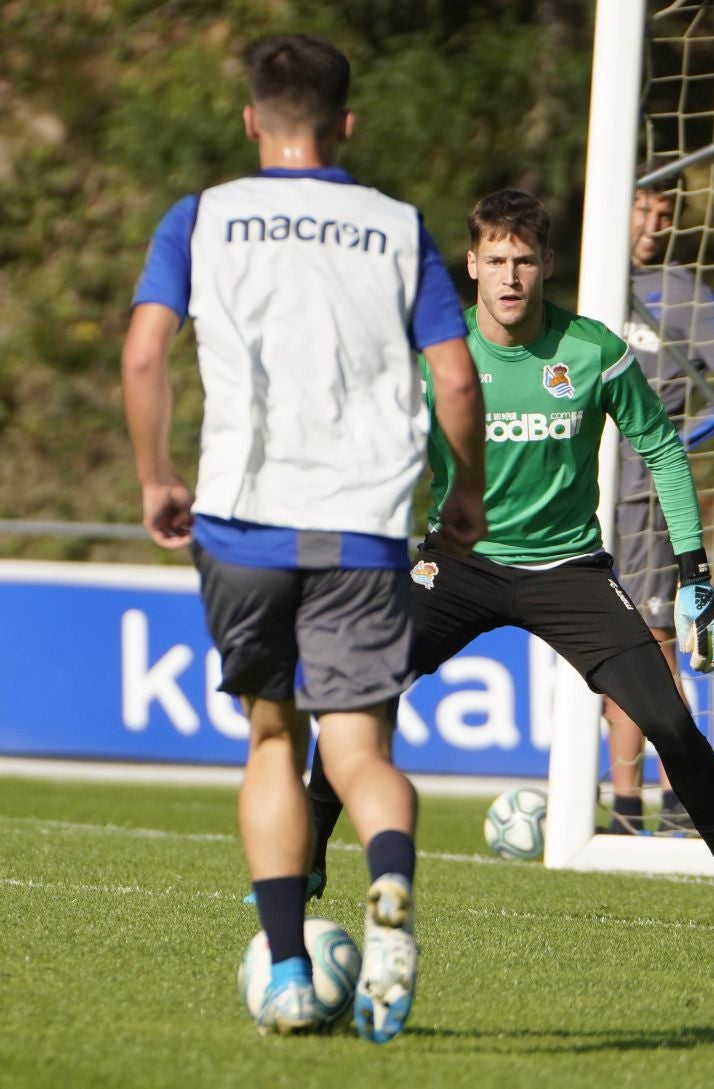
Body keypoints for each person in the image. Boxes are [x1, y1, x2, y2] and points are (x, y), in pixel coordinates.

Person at [304, 188, 714, 936]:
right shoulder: (436, 354)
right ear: (472, 265)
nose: (510, 276)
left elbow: (663, 448)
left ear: (546, 263)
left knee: (671, 721)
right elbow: (377, 452)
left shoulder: (592, 350)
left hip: (570, 570)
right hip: (456, 565)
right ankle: (308, 855)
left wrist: (695, 575)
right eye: (496, 261)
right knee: (360, 692)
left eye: (524, 260)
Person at [121, 33, 486, 1043]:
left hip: (244, 519)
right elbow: (457, 378)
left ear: (252, 120)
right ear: (346, 124)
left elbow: (145, 355)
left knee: (272, 736)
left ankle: (287, 969)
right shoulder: (397, 226)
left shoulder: (202, 217)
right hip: (363, 525)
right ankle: (390, 890)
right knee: (360, 747)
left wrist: (156, 476)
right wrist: (465, 490)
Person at [602, 166, 714, 835]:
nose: (653, 226)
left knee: (650, 643)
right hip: (580, 497)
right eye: (642, 209)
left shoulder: (680, 292)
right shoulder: (587, 284)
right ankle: (624, 805)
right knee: (606, 647)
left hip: (642, 500)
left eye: (665, 214)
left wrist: (672, 441)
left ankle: (674, 799)